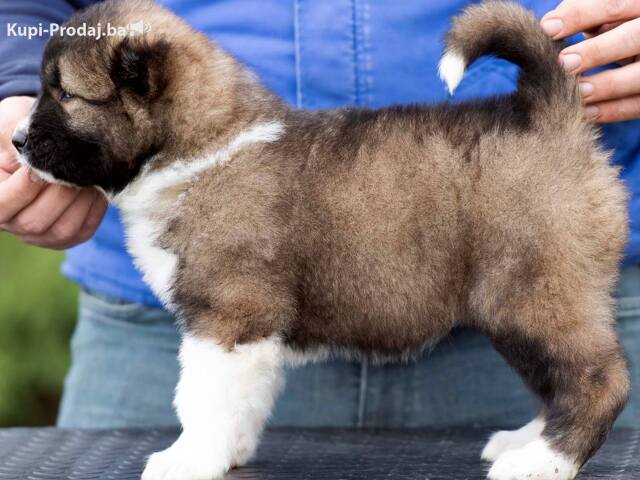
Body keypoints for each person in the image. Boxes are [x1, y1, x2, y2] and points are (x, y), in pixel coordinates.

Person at [1, 0, 640, 429]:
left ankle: (568, 426)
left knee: (571, 367)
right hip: (144, 331)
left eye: (68, 99)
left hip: (523, 211)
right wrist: (16, 77)